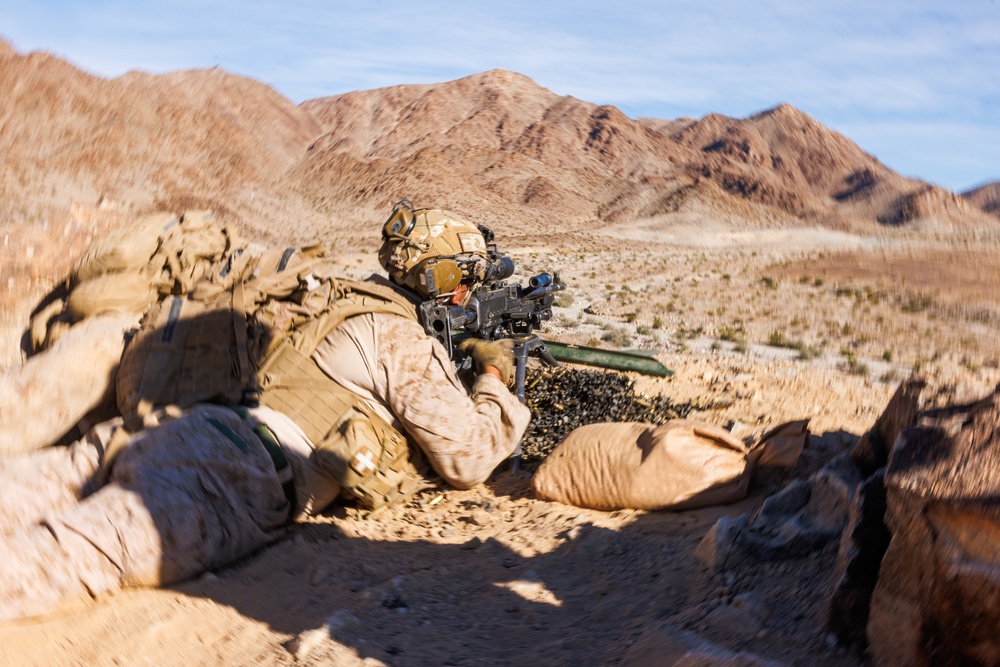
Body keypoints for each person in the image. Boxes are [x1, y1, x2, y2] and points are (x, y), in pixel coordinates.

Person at [0, 201, 531, 621]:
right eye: (465, 279)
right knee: (65, 557)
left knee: (18, 492)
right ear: (443, 282)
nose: (467, 292)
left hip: (174, 425)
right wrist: (493, 378)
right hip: (234, 471)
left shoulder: (331, 295)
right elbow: (466, 458)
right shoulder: (401, 340)